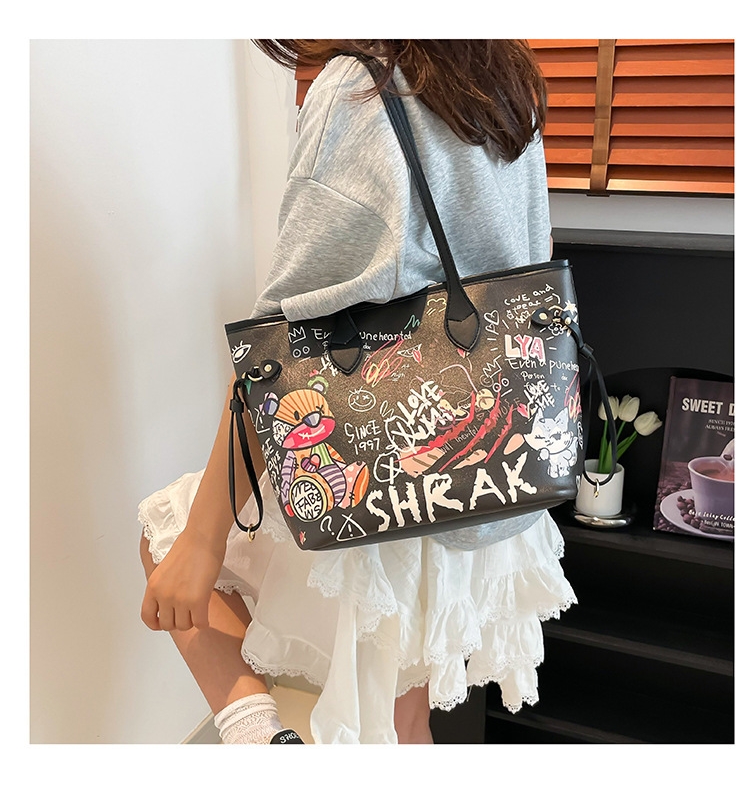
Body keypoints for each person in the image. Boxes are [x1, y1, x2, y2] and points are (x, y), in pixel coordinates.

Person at [139, 39, 576, 745]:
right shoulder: (499, 77)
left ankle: (258, 739)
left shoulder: (361, 91)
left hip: (386, 481)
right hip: (490, 474)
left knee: (165, 533)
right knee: (406, 723)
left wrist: (204, 538)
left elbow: (281, 348)